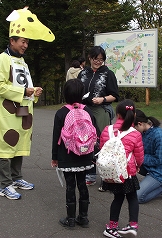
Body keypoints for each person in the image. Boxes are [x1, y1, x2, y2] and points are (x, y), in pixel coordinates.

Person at [0, 7, 55, 200]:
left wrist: (34, 92)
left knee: (19, 142)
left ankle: (16, 177)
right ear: (12, 40)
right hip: (6, 111)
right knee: (7, 143)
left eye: (27, 42)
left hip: (23, 110)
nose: (26, 45)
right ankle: (5, 183)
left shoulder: (22, 62)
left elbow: (25, 85)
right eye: (23, 41)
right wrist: (23, 92)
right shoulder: (1, 59)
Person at [51, 79, 100, 228]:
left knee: (70, 187)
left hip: (67, 156)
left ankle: (70, 219)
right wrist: (94, 155)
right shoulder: (88, 111)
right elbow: (96, 134)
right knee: (82, 185)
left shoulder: (61, 112)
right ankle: (83, 218)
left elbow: (56, 138)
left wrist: (55, 157)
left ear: (65, 94)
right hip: (85, 156)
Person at [100, 99, 144, 238]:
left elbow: (102, 149)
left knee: (117, 198)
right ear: (134, 115)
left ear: (118, 115)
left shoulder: (107, 130)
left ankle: (111, 227)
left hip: (113, 172)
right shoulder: (135, 134)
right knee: (132, 198)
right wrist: (138, 166)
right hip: (128, 172)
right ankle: (133, 224)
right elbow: (139, 155)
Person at [77, 45, 119, 186]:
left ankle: (107, 176)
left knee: (101, 142)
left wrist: (102, 99)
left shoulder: (108, 74)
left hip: (100, 110)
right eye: (95, 58)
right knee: (85, 141)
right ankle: (90, 173)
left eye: (101, 59)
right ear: (89, 58)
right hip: (83, 110)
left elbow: (115, 95)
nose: (98, 62)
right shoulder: (83, 73)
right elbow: (76, 90)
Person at [134, 110, 162, 203]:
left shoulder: (159, 135)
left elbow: (159, 159)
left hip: (159, 171)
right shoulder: (142, 132)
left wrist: (138, 157)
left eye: (134, 127)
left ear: (140, 124)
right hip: (147, 166)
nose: (133, 131)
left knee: (137, 197)